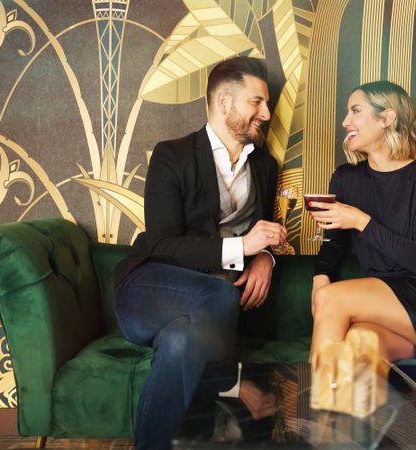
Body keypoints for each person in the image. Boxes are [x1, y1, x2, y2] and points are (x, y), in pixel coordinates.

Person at [113, 56, 286, 450]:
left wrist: (266, 258)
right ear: (224, 103)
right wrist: (243, 247)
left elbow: (266, 228)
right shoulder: (172, 154)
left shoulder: (264, 166)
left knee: (180, 345)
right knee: (221, 293)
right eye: (256, 102)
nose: (267, 112)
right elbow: (162, 243)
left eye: (267, 103)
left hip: (201, 318)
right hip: (148, 289)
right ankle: (230, 384)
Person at [309, 80, 416, 363]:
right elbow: (333, 243)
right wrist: (319, 277)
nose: (345, 121)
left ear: (387, 117)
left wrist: (361, 221)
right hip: (390, 312)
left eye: (355, 111)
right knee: (356, 345)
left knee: (331, 298)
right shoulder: (346, 178)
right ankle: (350, 401)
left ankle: (309, 405)